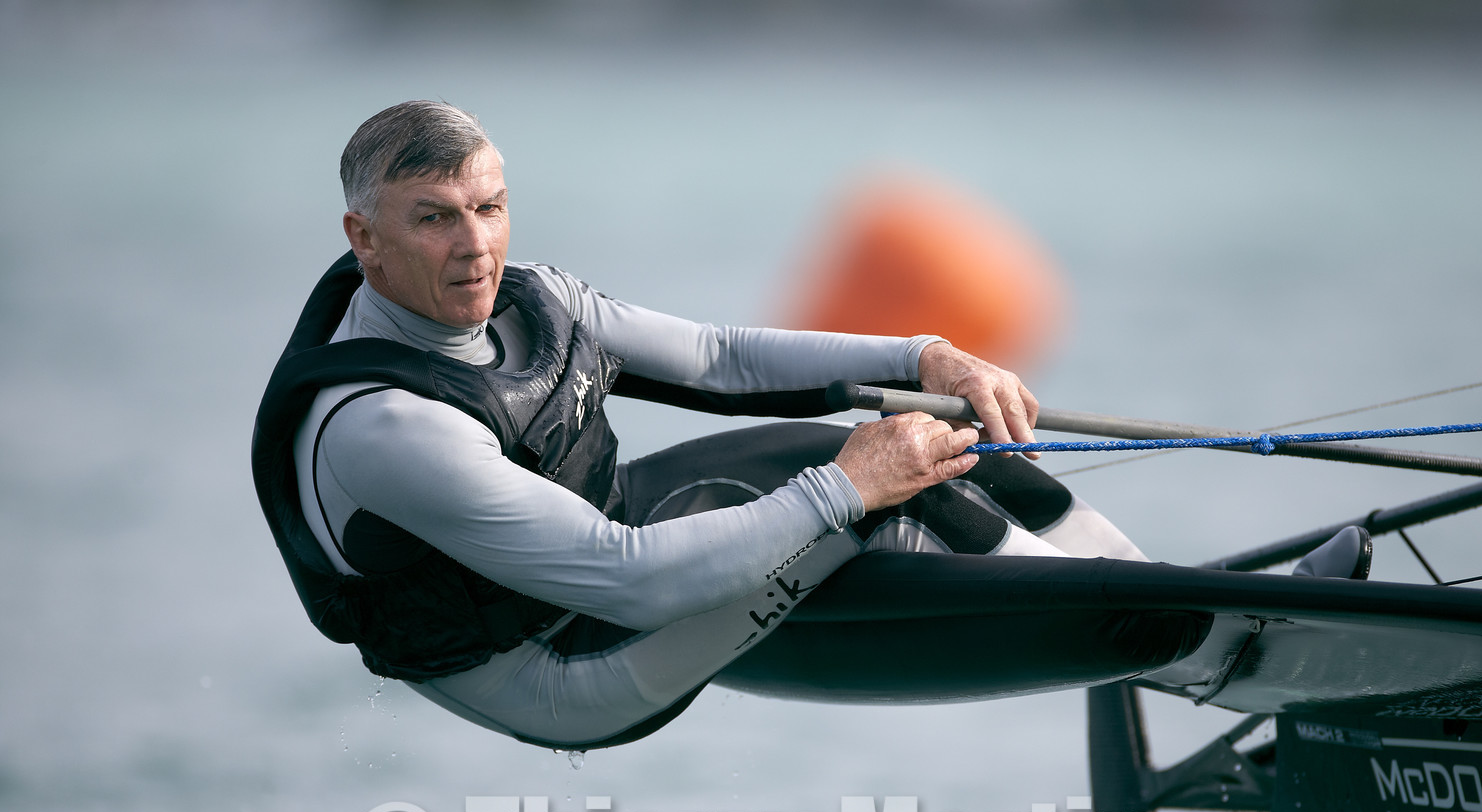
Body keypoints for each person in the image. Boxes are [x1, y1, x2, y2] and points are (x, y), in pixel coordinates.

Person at [252, 100, 1147, 751]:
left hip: (613, 538)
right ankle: (1164, 636)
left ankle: (1142, 579)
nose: (477, 245)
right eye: (435, 219)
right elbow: (625, 581)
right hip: (560, 670)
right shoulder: (383, 428)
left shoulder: (535, 299)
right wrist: (849, 487)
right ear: (363, 237)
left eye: (488, 208)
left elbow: (722, 360)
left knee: (945, 435)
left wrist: (923, 358)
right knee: (880, 490)